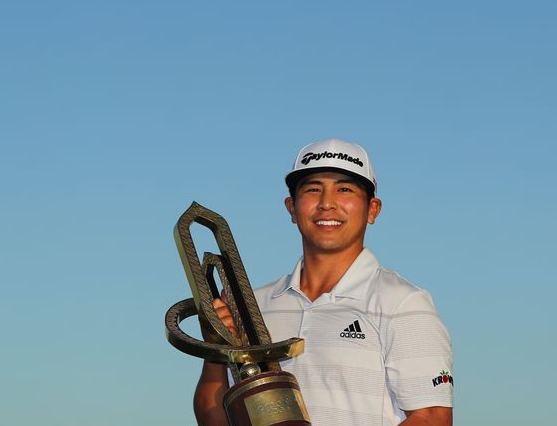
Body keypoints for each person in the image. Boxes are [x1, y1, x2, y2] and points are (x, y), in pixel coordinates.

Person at [194, 139, 453, 425]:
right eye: (313, 189)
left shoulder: (403, 303)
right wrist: (216, 350)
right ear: (292, 208)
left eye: (344, 189)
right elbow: (214, 418)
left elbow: (432, 418)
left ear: (372, 209)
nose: (327, 203)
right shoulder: (253, 307)